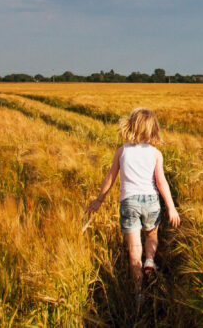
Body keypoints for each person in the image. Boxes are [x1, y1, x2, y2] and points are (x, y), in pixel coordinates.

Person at [86, 107, 181, 302]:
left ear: (131, 126)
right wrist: (171, 207)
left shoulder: (122, 151)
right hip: (151, 201)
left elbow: (110, 178)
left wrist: (99, 200)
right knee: (151, 235)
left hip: (129, 202)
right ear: (153, 129)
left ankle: (138, 293)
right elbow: (162, 182)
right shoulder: (156, 154)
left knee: (133, 249)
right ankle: (150, 260)